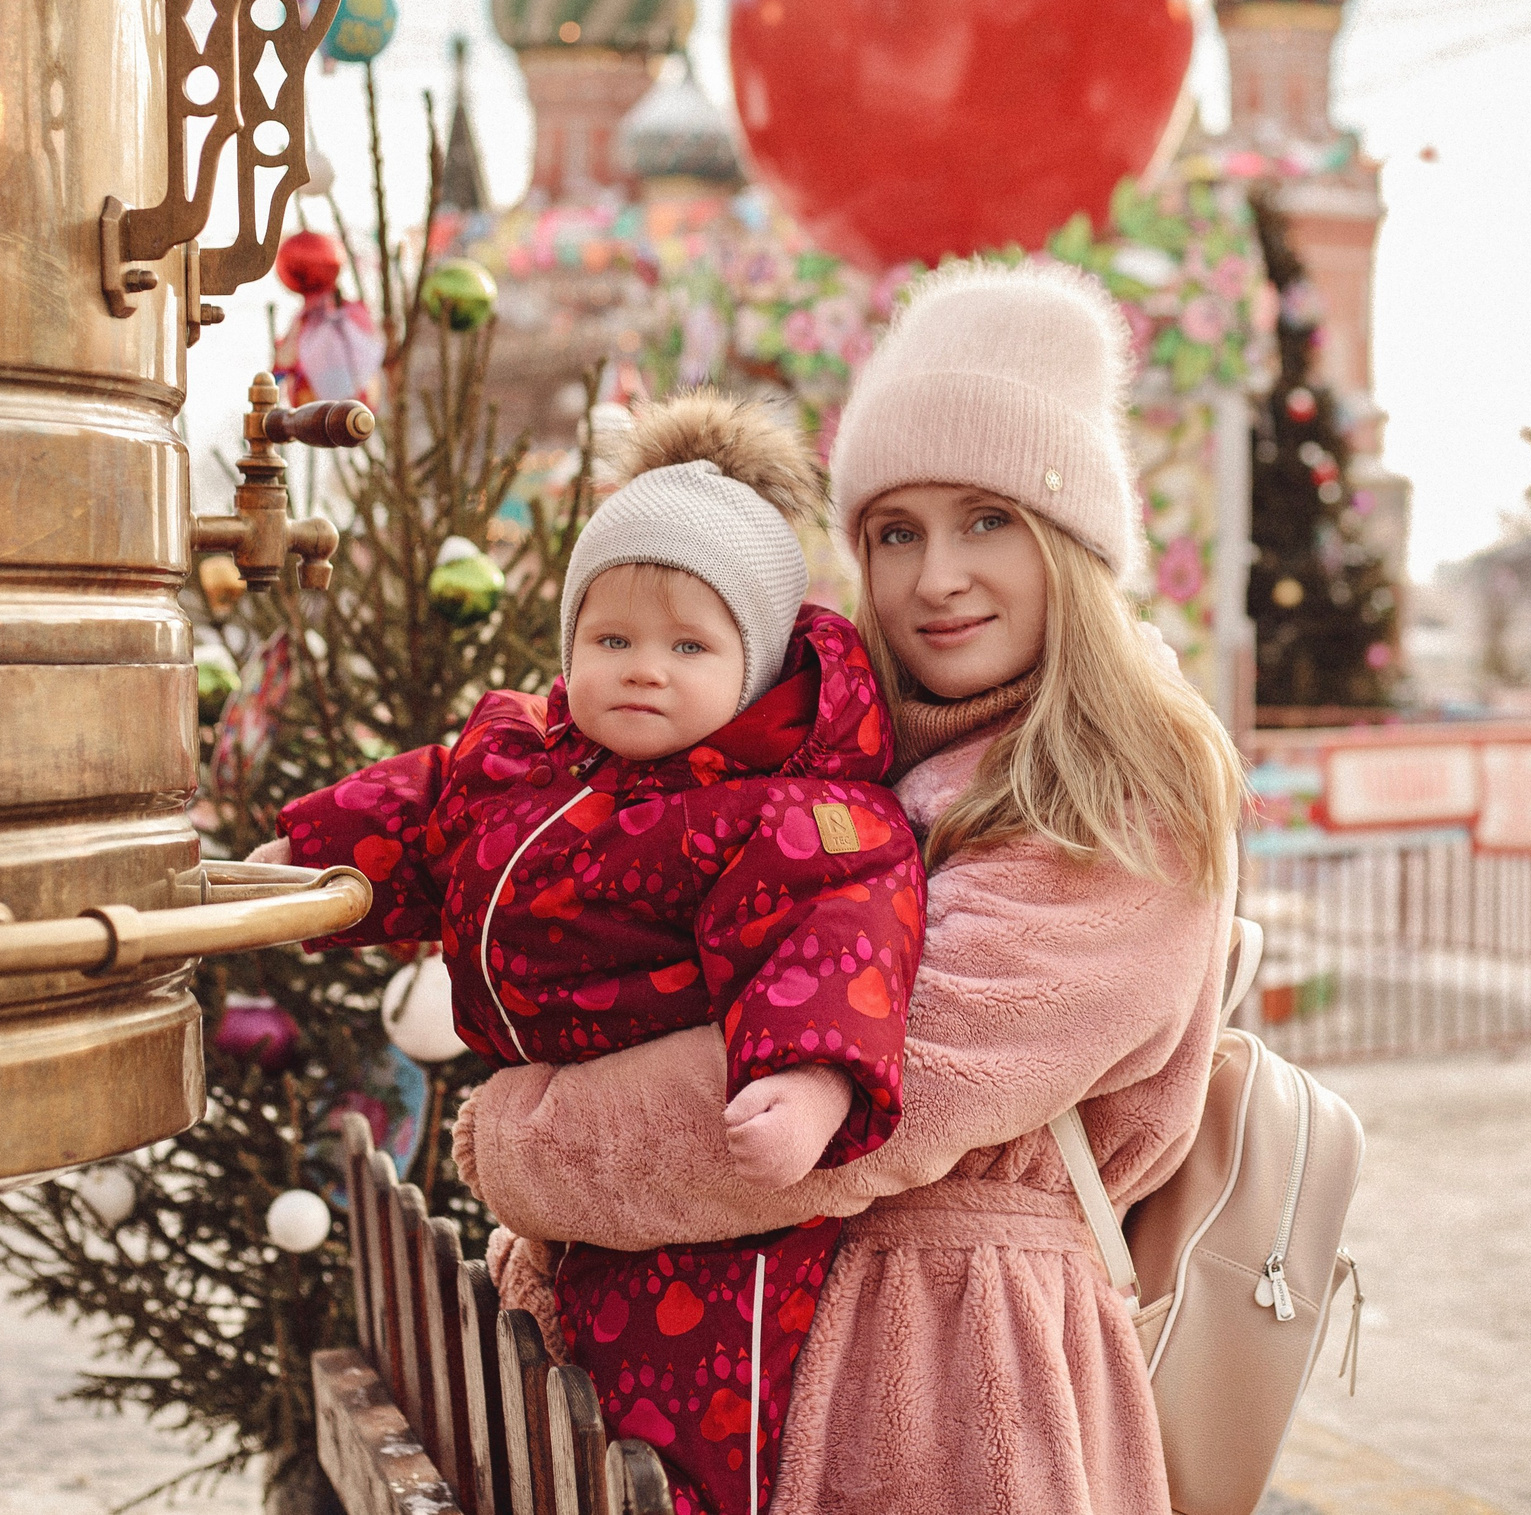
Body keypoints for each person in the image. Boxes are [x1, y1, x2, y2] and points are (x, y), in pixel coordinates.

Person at [455, 261, 1245, 1515]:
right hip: (755, 1354)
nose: (936, 578)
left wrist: (523, 1140)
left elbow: (888, 1081)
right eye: (895, 532)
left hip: (953, 1372)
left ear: (1073, 541)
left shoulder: (1117, 795)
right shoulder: (840, 766)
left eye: (988, 521)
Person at [256, 394, 927, 1515]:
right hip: (566, 1170)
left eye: (689, 646)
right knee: (550, 1411)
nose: (644, 669)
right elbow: (421, 812)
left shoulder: (784, 812)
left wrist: (810, 1080)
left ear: (758, 666)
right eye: (612, 640)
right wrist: (308, 858)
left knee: (676, 1427)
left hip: (717, 1225)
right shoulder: (523, 759)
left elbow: (840, 930)